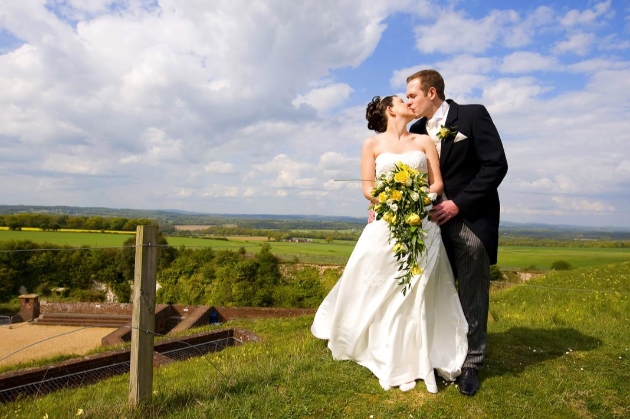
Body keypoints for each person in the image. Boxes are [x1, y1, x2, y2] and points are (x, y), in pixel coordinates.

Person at [311, 95, 468, 394]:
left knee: (419, 286)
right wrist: (389, 199)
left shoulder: (423, 142)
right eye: (400, 99)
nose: (408, 102)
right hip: (387, 222)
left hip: (422, 221)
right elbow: (368, 188)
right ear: (388, 110)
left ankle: (420, 351)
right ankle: (380, 346)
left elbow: (437, 184)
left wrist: (418, 196)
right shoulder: (371, 145)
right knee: (384, 284)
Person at [406, 69, 508, 396]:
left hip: (470, 218)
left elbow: (495, 165)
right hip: (430, 223)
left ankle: (472, 364)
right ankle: (442, 355)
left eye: (412, 95)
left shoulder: (473, 115)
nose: (409, 101)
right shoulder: (417, 130)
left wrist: (458, 204)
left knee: (472, 292)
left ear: (432, 93)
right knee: (438, 289)